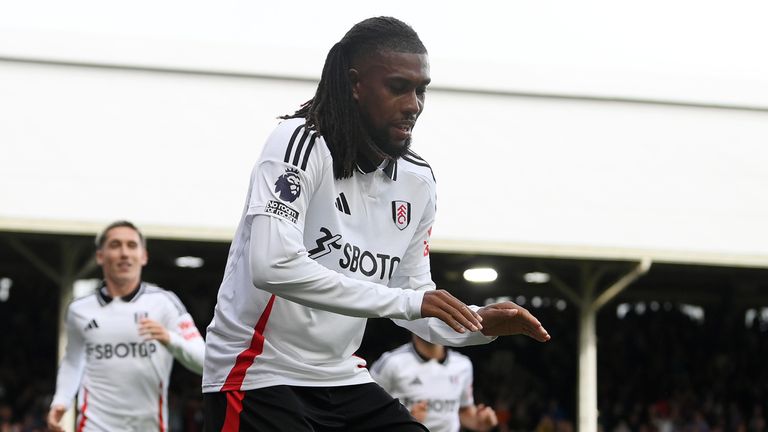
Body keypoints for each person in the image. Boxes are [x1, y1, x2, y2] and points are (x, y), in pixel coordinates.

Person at [202, 16, 550, 432]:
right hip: (258, 375)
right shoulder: (298, 142)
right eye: (398, 87)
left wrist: (475, 324)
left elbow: (412, 295)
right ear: (355, 85)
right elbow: (272, 265)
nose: (414, 105)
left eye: (421, 90)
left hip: (342, 376)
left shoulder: (418, 181)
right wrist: (410, 302)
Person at [47, 220, 205, 432]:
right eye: (115, 245)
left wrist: (170, 339)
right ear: (100, 256)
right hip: (94, 426)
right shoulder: (79, 309)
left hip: (148, 427)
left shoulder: (165, 303)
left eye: (131, 246)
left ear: (143, 256)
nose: (124, 253)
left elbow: (205, 362)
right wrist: (61, 400)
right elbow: (73, 361)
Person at [370, 334, 498, 432]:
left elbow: (463, 410)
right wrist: (406, 422)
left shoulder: (463, 365)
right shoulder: (390, 362)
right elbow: (369, 414)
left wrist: (479, 422)